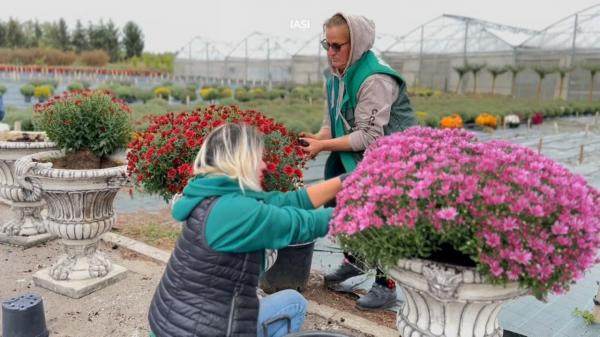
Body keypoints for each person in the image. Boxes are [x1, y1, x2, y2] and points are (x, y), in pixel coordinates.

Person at [148, 123, 346, 337]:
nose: (263, 166)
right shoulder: (233, 211)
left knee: (289, 300)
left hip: (172, 324)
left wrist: (346, 181)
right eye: (259, 158)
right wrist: (368, 207)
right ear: (243, 160)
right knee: (294, 304)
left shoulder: (208, 193)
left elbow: (290, 201)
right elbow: (303, 224)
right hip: (206, 329)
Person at [300, 13, 417, 311]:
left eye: (338, 46)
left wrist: (323, 145)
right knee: (344, 204)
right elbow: (332, 125)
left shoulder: (375, 78)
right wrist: (315, 140)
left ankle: (385, 284)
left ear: (358, 44)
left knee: (381, 215)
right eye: (327, 44)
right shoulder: (335, 78)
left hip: (392, 158)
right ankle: (356, 259)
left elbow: (369, 137)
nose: (331, 52)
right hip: (357, 156)